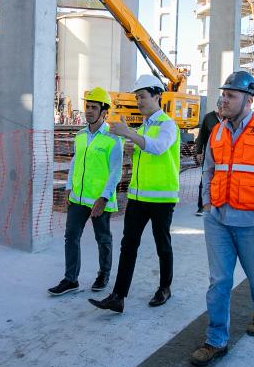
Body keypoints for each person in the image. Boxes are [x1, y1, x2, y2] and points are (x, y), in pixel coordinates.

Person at [189, 71, 254, 367]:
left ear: (249, 99)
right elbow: (209, 170)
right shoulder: (217, 131)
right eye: (224, 94)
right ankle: (216, 339)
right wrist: (207, 203)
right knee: (219, 280)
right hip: (218, 218)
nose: (224, 100)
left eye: (231, 95)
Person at [89, 74, 180, 313]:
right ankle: (118, 296)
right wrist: (124, 136)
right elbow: (141, 151)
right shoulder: (142, 128)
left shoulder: (167, 125)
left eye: (142, 96)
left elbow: (158, 148)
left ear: (157, 96)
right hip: (138, 198)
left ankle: (165, 288)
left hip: (161, 198)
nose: (138, 101)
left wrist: (129, 134)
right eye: (136, 97)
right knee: (128, 245)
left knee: (163, 244)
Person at [48, 87, 123, 296]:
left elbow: (115, 172)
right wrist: (69, 189)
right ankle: (70, 279)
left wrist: (103, 198)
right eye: (87, 106)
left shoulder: (113, 138)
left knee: (103, 239)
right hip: (78, 199)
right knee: (70, 237)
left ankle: (104, 274)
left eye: (94, 107)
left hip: (99, 200)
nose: (89, 111)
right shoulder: (80, 135)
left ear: (104, 111)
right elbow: (75, 162)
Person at [194, 97, 223, 216]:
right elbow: (201, 136)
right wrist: (199, 152)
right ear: (217, 106)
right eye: (220, 107)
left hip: (223, 157)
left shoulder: (230, 118)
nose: (222, 109)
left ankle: (218, 204)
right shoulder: (209, 118)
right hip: (209, 155)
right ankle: (201, 206)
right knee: (205, 180)